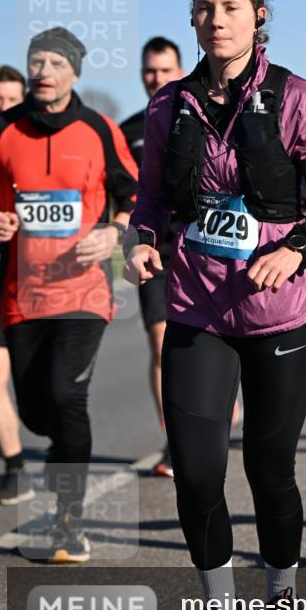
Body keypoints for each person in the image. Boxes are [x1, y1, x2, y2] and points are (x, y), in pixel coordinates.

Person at [124, 0, 306, 610]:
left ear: (259, 14)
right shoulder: (169, 106)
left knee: (265, 468)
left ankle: (282, 606)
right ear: (192, 17)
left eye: (230, 6)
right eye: (203, 8)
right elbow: (154, 202)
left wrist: (294, 251)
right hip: (196, 306)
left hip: (283, 311)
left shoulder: (294, 99)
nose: (215, 19)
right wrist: (142, 240)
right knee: (195, 473)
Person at [0, 27, 138, 561]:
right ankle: (59, 449)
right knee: (35, 408)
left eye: (54, 62)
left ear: (75, 71)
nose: (42, 71)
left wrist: (116, 229)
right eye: (36, 61)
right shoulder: (0, 129)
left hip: (84, 292)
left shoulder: (98, 129)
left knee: (67, 395)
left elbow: (134, 191)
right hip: (21, 295)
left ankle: (69, 521)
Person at [121, 37, 185, 478]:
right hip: (153, 251)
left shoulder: (197, 115)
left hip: (201, 246)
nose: (157, 78)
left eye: (165, 71)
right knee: (161, 344)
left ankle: (214, 403)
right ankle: (174, 440)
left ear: (179, 70)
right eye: (150, 71)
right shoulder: (127, 132)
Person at [0, 65, 33, 505]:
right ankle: (15, 465)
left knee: (33, 380)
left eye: (11, 100)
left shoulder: (36, 147)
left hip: (31, 277)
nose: (2, 107)